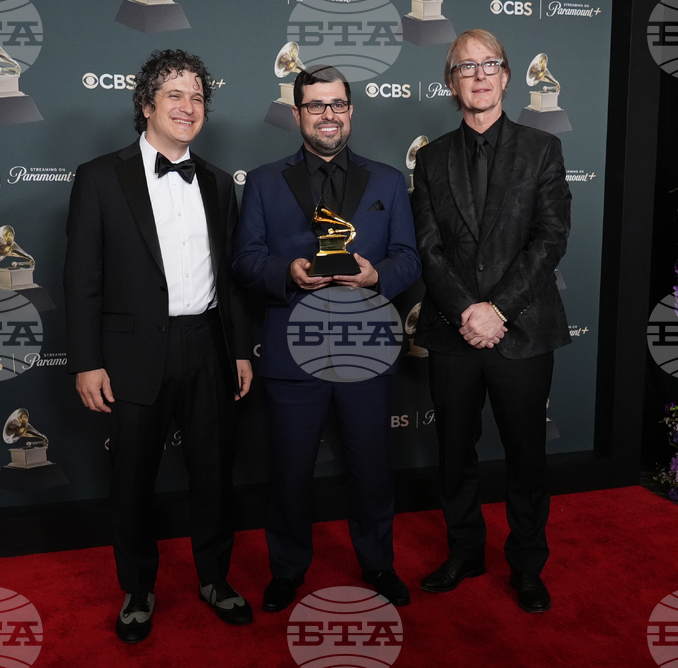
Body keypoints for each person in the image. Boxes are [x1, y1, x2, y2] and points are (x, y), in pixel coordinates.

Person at [64, 49, 254, 642]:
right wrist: (87, 361)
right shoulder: (99, 176)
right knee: (132, 480)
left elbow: (233, 279)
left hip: (207, 345)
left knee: (214, 473)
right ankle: (138, 590)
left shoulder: (221, 184)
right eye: (174, 94)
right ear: (146, 104)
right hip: (131, 354)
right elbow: (81, 279)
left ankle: (215, 578)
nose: (187, 106)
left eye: (197, 96)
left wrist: (241, 349)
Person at [232, 65, 421, 611]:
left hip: (366, 344)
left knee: (370, 466)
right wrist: (286, 272)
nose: (328, 115)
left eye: (336, 104)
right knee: (290, 470)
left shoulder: (387, 180)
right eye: (315, 106)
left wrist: (375, 276)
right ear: (297, 114)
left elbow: (409, 258)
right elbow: (244, 260)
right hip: (292, 349)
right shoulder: (265, 181)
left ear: (351, 110)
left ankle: (378, 563)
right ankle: (289, 568)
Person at [411, 29, 571, 613]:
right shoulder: (429, 159)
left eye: (490, 65)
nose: (478, 76)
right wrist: (466, 313)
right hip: (452, 335)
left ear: (506, 76)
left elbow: (549, 238)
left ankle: (527, 565)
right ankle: (465, 552)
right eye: (465, 68)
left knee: (526, 457)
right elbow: (426, 249)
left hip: (521, 332)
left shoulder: (542, 149)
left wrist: (497, 310)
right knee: (455, 454)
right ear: (450, 82)